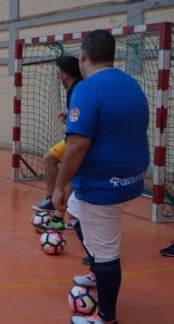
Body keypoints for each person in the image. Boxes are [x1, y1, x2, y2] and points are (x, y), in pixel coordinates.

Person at [52, 30, 149, 324]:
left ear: (83, 56)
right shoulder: (131, 84)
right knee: (75, 212)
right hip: (133, 178)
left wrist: (59, 186)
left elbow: (77, 145)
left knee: (107, 250)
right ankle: (96, 272)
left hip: (104, 185)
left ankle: (106, 317)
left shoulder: (87, 88)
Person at [32, 56, 83, 233]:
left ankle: (58, 216)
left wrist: (68, 118)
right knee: (49, 158)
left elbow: (80, 122)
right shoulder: (74, 89)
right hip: (72, 138)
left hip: (77, 141)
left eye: (59, 74)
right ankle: (51, 199)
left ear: (64, 76)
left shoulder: (78, 90)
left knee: (69, 176)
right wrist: (67, 114)